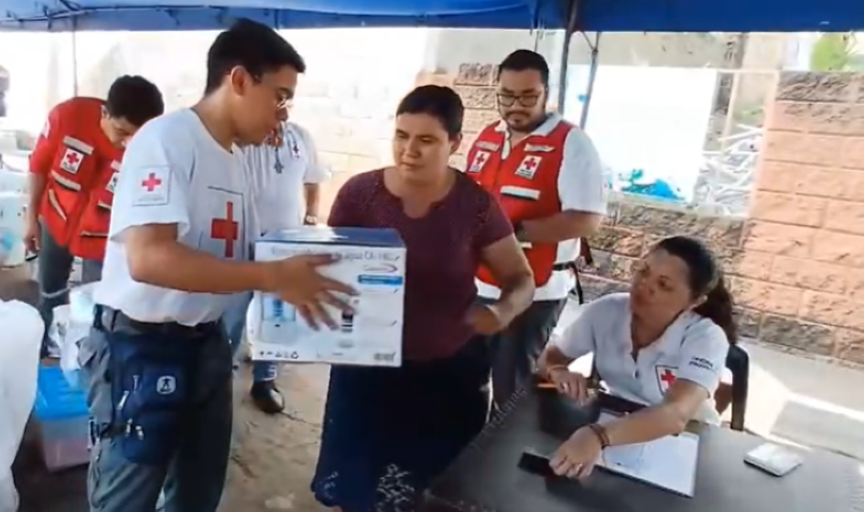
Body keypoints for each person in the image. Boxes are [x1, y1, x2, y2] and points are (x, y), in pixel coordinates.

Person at [79, 18, 354, 512]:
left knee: (197, 490)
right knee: (128, 494)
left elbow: (233, 254)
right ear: (241, 80)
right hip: (139, 346)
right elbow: (148, 258)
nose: (283, 112)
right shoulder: (166, 140)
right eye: (280, 95)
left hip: (204, 342)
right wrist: (271, 276)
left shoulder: (233, 157)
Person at [311, 85, 536, 512]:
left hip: (445, 374)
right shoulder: (359, 195)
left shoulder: (474, 205)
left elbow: (520, 279)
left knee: (423, 491)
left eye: (426, 140)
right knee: (358, 482)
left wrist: (503, 311)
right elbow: (332, 270)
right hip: (366, 369)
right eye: (401, 136)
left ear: (454, 143)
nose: (409, 150)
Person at [465, 49, 606, 410]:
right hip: (478, 284)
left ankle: (503, 463)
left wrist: (513, 232)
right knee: (467, 381)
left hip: (536, 291)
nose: (516, 105)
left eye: (528, 96)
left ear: (547, 93)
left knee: (512, 389)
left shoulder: (571, 143)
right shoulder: (487, 138)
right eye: (507, 96)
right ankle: (467, 460)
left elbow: (587, 218)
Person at [538, 236, 735, 479]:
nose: (644, 285)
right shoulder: (606, 311)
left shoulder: (706, 337)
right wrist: (558, 371)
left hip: (686, 438)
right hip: (616, 420)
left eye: (664, 285)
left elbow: (676, 414)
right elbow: (548, 358)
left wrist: (598, 435)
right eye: (643, 270)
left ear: (694, 301)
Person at [25, 76, 164, 357]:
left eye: (136, 136)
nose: (127, 144)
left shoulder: (152, 147)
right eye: (121, 132)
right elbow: (38, 167)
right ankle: (42, 348)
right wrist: (30, 219)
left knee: (99, 304)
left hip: (104, 239)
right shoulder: (68, 117)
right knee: (50, 290)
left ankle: (89, 359)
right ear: (104, 113)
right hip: (56, 218)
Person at [226, 117, 327, 414]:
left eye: (286, 100)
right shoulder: (237, 136)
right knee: (231, 313)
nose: (280, 108)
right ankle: (218, 378)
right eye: (276, 97)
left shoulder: (300, 137)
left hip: (284, 245)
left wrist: (310, 217)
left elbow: (313, 179)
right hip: (240, 240)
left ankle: (265, 381)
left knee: (276, 314)